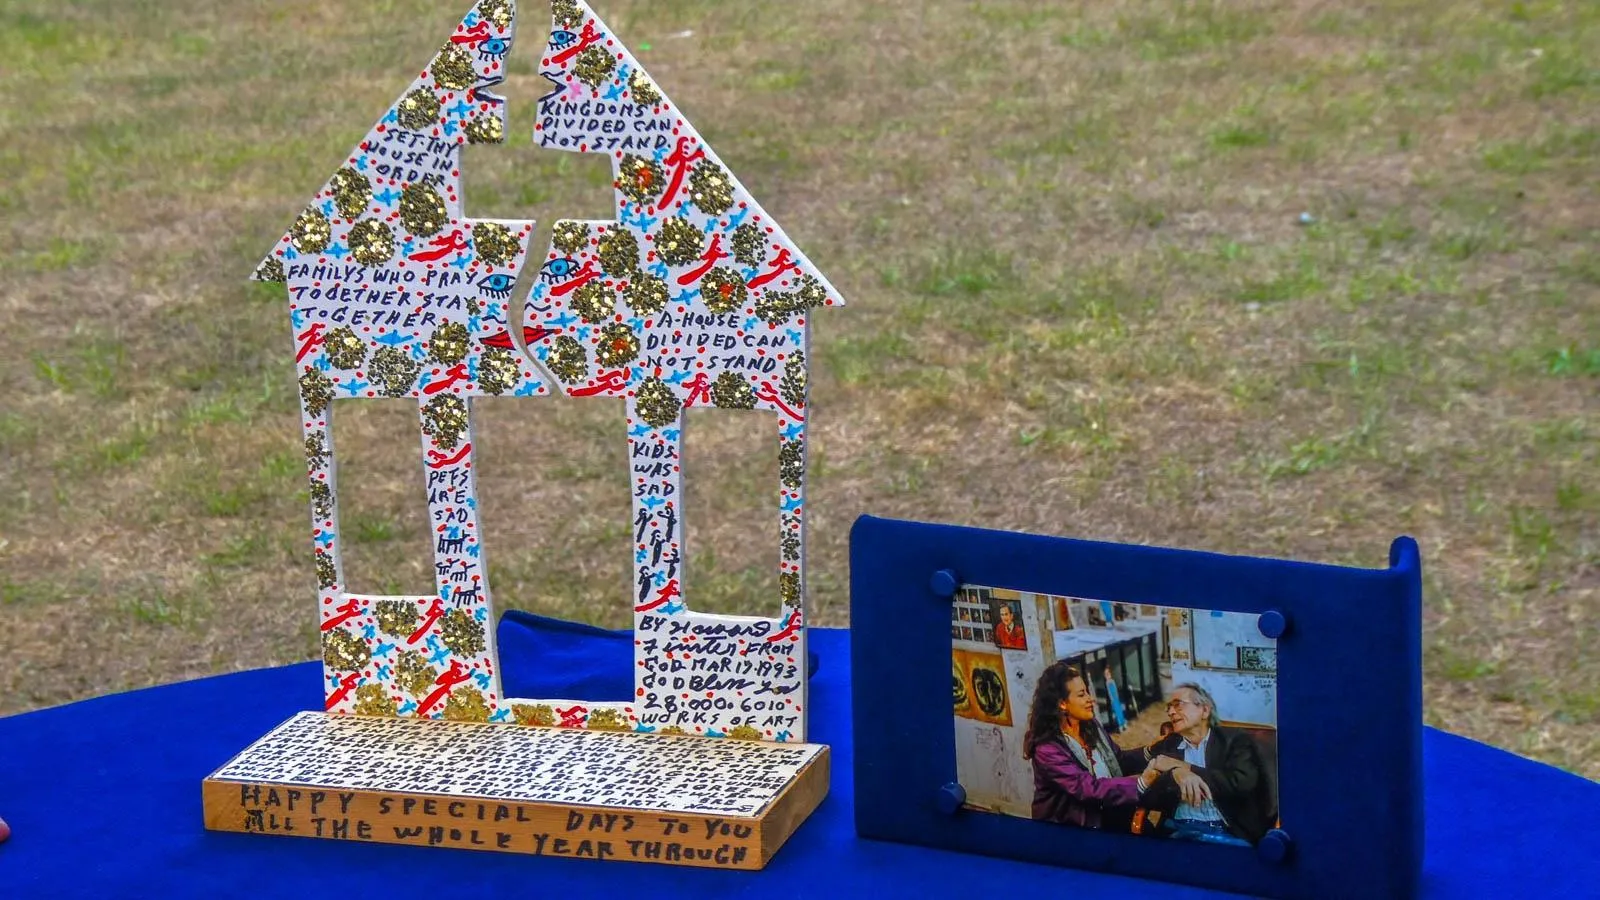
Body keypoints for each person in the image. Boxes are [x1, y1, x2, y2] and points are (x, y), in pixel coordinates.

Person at [1023, 662, 1182, 831]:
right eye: (1082, 694)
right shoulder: (1047, 749)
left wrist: (1151, 751)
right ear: (1062, 704)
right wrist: (1141, 783)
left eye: (1088, 692)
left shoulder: (1090, 725)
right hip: (1076, 827)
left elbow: (1118, 760)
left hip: (1108, 811)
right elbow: (1088, 788)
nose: (1090, 699)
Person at [1140, 683, 1276, 845]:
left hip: (1228, 832)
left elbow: (1241, 784)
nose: (1170, 712)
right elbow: (1148, 797)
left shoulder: (1234, 740)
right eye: (1168, 707)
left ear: (1204, 710)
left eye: (1178, 705)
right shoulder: (1169, 745)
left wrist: (1186, 768)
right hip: (1178, 830)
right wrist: (1174, 774)